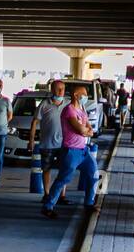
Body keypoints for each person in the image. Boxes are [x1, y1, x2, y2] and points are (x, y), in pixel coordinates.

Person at [41, 83, 99, 219]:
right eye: (84, 94)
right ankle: (48, 206)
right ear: (76, 95)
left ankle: (89, 204)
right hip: (71, 151)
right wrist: (85, 131)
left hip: (84, 151)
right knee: (63, 179)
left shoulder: (82, 110)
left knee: (94, 174)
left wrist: (86, 131)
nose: (86, 97)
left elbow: (90, 130)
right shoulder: (69, 111)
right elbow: (80, 129)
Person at [28, 79, 69, 204]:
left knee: (65, 170)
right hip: (47, 144)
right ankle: (46, 194)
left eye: (63, 88)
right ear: (52, 90)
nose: (61, 91)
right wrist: (31, 140)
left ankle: (62, 195)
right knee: (46, 169)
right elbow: (35, 121)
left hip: (64, 144)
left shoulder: (68, 104)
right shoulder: (44, 104)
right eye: (58, 88)